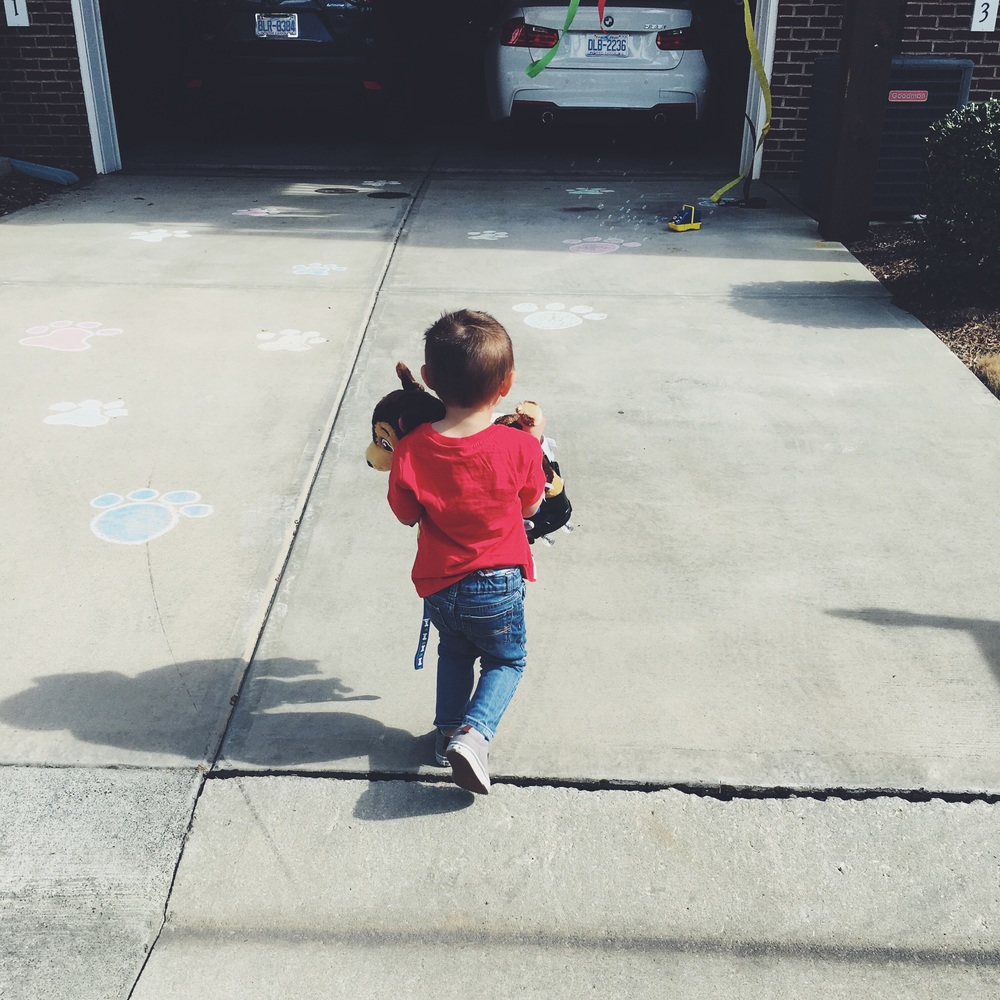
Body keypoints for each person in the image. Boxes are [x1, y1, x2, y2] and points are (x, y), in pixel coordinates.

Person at [387, 309, 547, 795]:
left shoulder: (412, 448)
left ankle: (445, 736)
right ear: (507, 384)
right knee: (505, 661)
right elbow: (533, 503)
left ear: (430, 379)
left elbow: (406, 513)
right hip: (497, 583)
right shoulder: (518, 447)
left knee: (454, 652)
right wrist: (534, 443)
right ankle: (474, 736)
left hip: (440, 584)